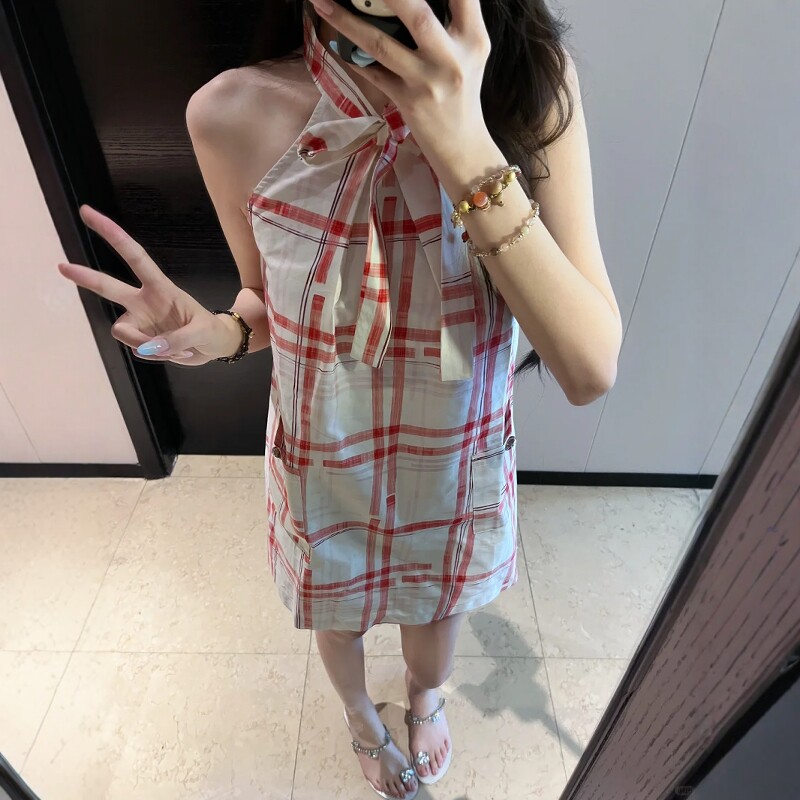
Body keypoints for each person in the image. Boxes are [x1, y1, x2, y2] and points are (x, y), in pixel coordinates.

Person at [58, 0, 622, 796]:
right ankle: (361, 716)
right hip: (324, 456)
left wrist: (462, 141)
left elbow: (589, 368)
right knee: (337, 620)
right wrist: (219, 333)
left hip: (454, 454)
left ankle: (425, 701)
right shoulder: (233, 111)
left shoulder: (525, 85)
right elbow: (263, 299)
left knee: (437, 621)